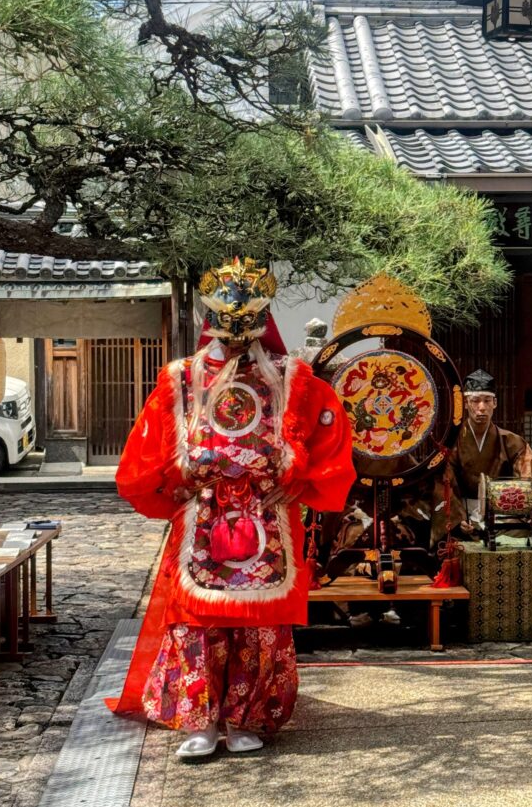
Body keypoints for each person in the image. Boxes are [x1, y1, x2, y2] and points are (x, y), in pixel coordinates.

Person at [107, 258, 355, 758]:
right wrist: (166, 487)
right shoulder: (182, 379)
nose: (238, 342)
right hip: (203, 513)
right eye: (229, 329)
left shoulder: (290, 377)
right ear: (211, 321)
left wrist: (303, 484)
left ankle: (247, 718)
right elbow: (148, 446)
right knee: (198, 621)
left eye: (246, 331)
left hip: (266, 513)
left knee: (258, 624)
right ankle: (200, 719)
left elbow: (330, 432)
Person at [433, 368, 532, 541]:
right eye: (475, 401)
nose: (482, 408)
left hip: (502, 514)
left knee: (524, 531)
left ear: (495, 403)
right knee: (447, 536)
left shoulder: (512, 441)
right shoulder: (451, 443)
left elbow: (528, 477)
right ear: (465, 403)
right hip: (464, 512)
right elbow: (445, 483)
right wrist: (458, 518)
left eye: (487, 401)